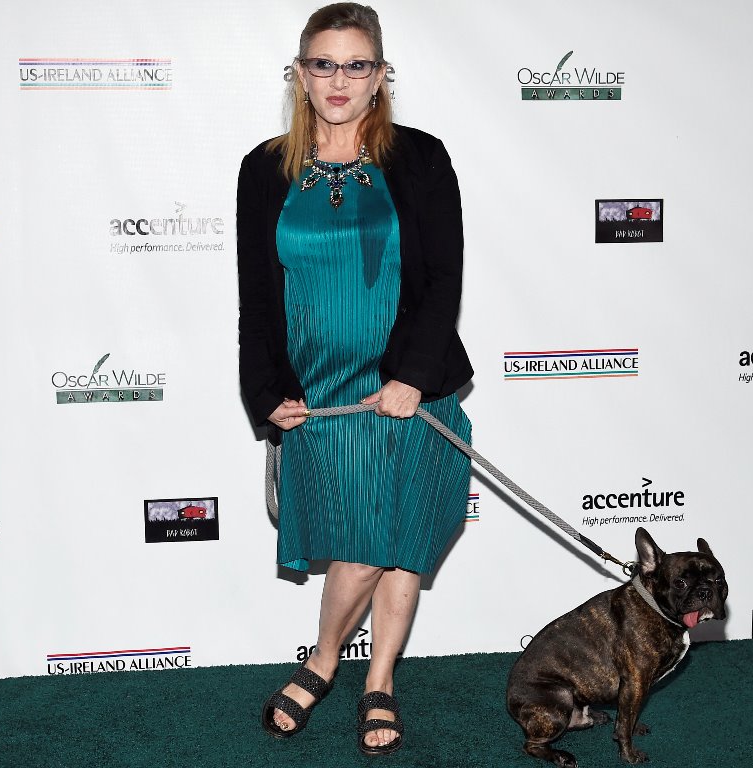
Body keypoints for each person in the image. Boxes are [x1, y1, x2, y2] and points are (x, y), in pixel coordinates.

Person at [236, 2, 473, 756]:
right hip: (324, 395)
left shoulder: (422, 158)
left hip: (407, 391)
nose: (340, 79)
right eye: (324, 63)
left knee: (395, 542)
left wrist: (411, 376)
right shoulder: (264, 168)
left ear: (381, 77)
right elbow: (255, 298)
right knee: (365, 538)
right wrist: (265, 391)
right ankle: (340, 662)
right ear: (300, 74)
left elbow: (443, 280)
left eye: (357, 64)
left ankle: (360, 675)